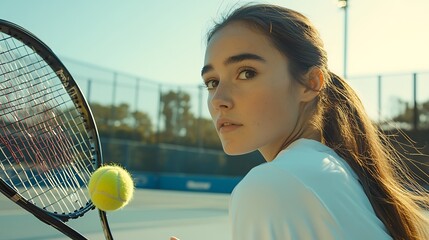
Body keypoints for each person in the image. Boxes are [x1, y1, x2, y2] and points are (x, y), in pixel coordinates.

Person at [199, 3, 429, 240]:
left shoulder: (273, 185)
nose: (218, 100)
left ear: (310, 83)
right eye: (212, 82)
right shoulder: (335, 172)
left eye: (247, 73)